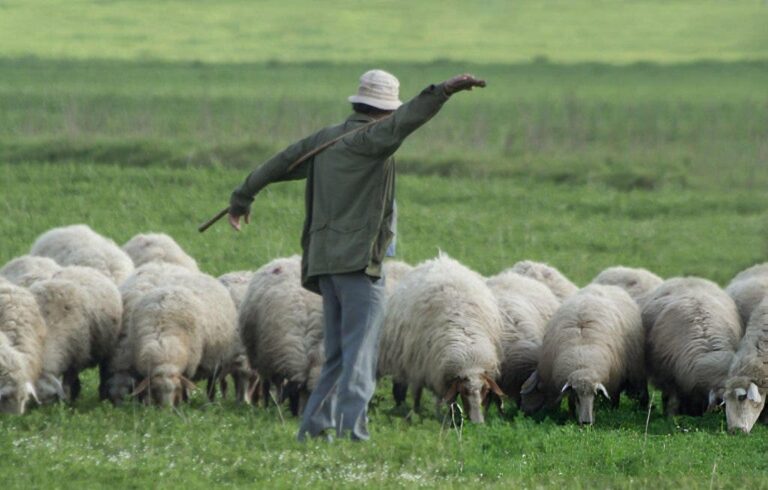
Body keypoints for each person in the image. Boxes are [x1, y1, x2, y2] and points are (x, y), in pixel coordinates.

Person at [227, 70, 486, 441]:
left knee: (335, 355)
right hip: (358, 265)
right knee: (362, 356)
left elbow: (281, 161)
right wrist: (443, 91)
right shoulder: (373, 138)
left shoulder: (326, 139)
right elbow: (409, 118)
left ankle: (315, 428)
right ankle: (354, 433)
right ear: (384, 111)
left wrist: (242, 197)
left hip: (324, 264)